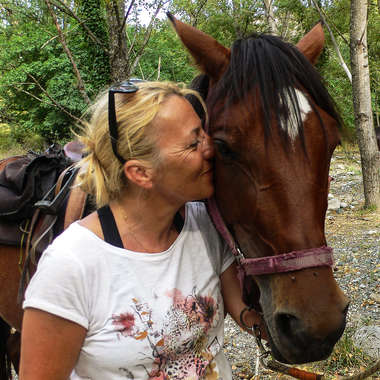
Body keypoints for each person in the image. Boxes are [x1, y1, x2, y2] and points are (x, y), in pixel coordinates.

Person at [20, 81, 264, 380]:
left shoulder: (205, 226)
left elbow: (242, 311)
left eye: (204, 133)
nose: (211, 148)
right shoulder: (71, 266)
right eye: (192, 143)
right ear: (141, 173)